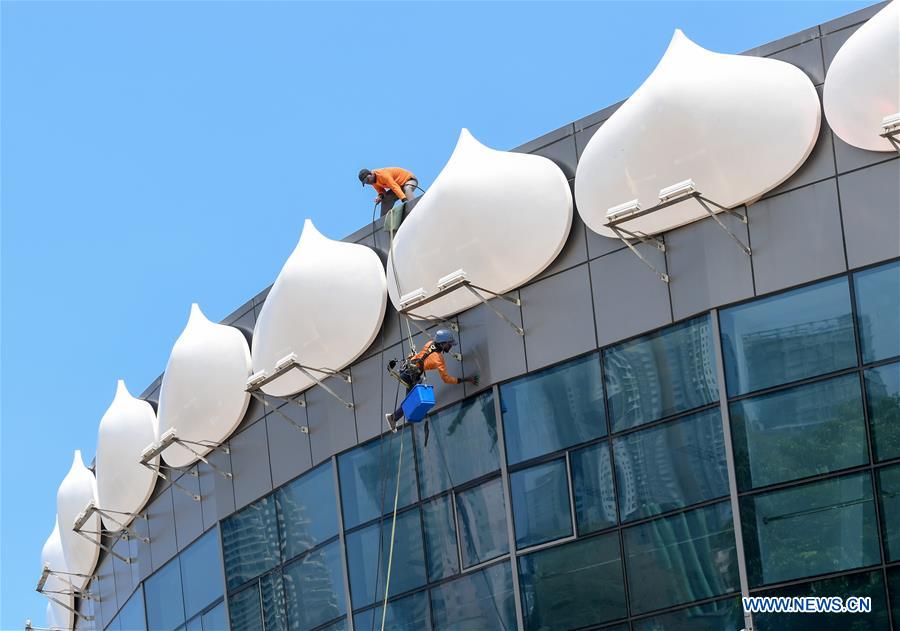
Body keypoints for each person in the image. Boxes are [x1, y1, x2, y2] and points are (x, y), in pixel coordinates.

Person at [385, 329, 476, 432]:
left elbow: (421, 356)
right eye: (449, 344)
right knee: (412, 402)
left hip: (406, 370)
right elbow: (446, 379)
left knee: (411, 401)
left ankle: (394, 417)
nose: (450, 347)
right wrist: (465, 379)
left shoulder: (429, 343)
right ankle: (393, 418)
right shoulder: (439, 359)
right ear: (443, 343)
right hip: (411, 376)